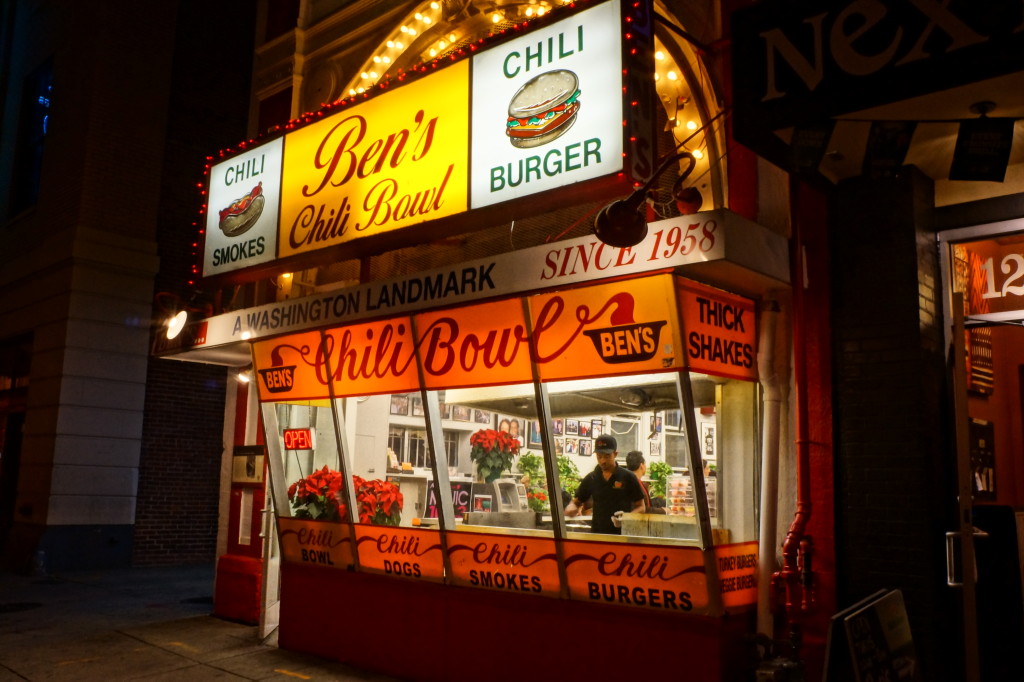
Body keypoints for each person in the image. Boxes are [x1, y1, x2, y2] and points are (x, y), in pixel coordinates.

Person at [565, 435, 645, 534]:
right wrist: (571, 508)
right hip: (597, 535)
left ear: (615, 454)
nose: (603, 461)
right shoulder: (592, 478)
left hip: (622, 535)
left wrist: (626, 518)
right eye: (599, 456)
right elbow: (576, 502)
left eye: (607, 456)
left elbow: (641, 507)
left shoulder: (628, 477)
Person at [625, 450, 665, 514]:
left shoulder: (636, 482)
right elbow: (642, 509)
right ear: (642, 466)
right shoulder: (634, 484)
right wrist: (663, 511)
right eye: (645, 464)